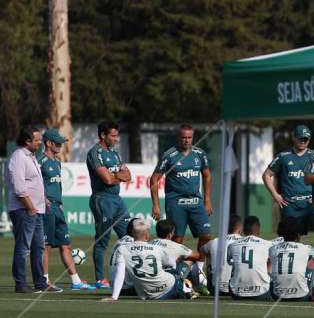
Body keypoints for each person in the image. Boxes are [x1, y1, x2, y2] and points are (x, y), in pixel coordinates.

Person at [38, 129, 94, 291]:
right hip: (46, 207)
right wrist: (43, 199)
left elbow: (58, 185)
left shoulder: (57, 162)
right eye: (57, 143)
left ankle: (76, 281)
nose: (61, 146)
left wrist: (60, 202)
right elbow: (33, 183)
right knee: (46, 246)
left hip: (57, 207)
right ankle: (45, 280)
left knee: (65, 245)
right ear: (48, 143)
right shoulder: (40, 161)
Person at [150, 124, 213, 258]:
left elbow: (207, 175)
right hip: (176, 202)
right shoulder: (169, 155)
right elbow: (154, 179)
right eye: (184, 137)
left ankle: (199, 269)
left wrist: (207, 200)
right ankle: (175, 270)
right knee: (177, 240)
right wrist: (156, 205)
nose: (187, 140)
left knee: (206, 236)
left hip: (196, 201)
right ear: (178, 137)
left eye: (189, 137)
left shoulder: (199, 154)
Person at [103, 219, 200, 301]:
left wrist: (114, 297)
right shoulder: (156, 248)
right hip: (168, 287)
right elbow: (171, 264)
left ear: (133, 233)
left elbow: (120, 273)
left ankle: (185, 288)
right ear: (146, 235)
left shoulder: (122, 249)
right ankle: (187, 289)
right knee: (176, 272)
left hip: (144, 293)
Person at [86, 121, 132, 288]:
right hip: (102, 199)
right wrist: (118, 176)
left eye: (117, 135)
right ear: (103, 135)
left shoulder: (114, 153)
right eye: (113, 135)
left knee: (130, 238)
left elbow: (128, 175)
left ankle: (130, 276)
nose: (116, 139)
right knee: (102, 241)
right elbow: (106, 179)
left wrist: (116, 176)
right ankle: (100, 278)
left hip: (117, 199)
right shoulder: (95, 153)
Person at [6, 127, 49, 293]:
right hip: (24, 209)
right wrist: (30, 206)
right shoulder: (18, 157)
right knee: (23, 247)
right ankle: (21, 283)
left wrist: (42, 200)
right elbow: (19, 187)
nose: (40, 142)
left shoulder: (30, 157)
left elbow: (33, 182)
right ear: (27, 141)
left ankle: (40, 282)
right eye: (37, 140)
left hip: (36, 209)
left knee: (38, 247)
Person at [263, 124, 314, 234]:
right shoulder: (283, 156)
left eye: (305, 139)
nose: (303, 141)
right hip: (290, 206)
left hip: (310, 204)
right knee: (291, 239)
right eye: (300, 138)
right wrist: (275, 195)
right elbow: (266, 175)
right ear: (294, 138)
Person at [269, 217, 314, 301]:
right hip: (301, 295)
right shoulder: (306, 248)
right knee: (313, 260)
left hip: (277, 295)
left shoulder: (273, 248)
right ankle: (311, 291)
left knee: (272, 264)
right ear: (298, 234)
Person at [227, 216, 274, 300]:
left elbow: (229, 261)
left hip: (237, 293)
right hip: (261, 292)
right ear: (259, 229)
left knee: (234, 268)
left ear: (243, 230)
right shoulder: (268, 244)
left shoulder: (233, 245)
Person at [200, 215, 243, 296]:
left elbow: (201, 250)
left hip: (215, 289)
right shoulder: (244, 242)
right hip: (237, 289)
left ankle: (205, 278)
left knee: (208, 252)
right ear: (240, 228)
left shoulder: (215, 241)